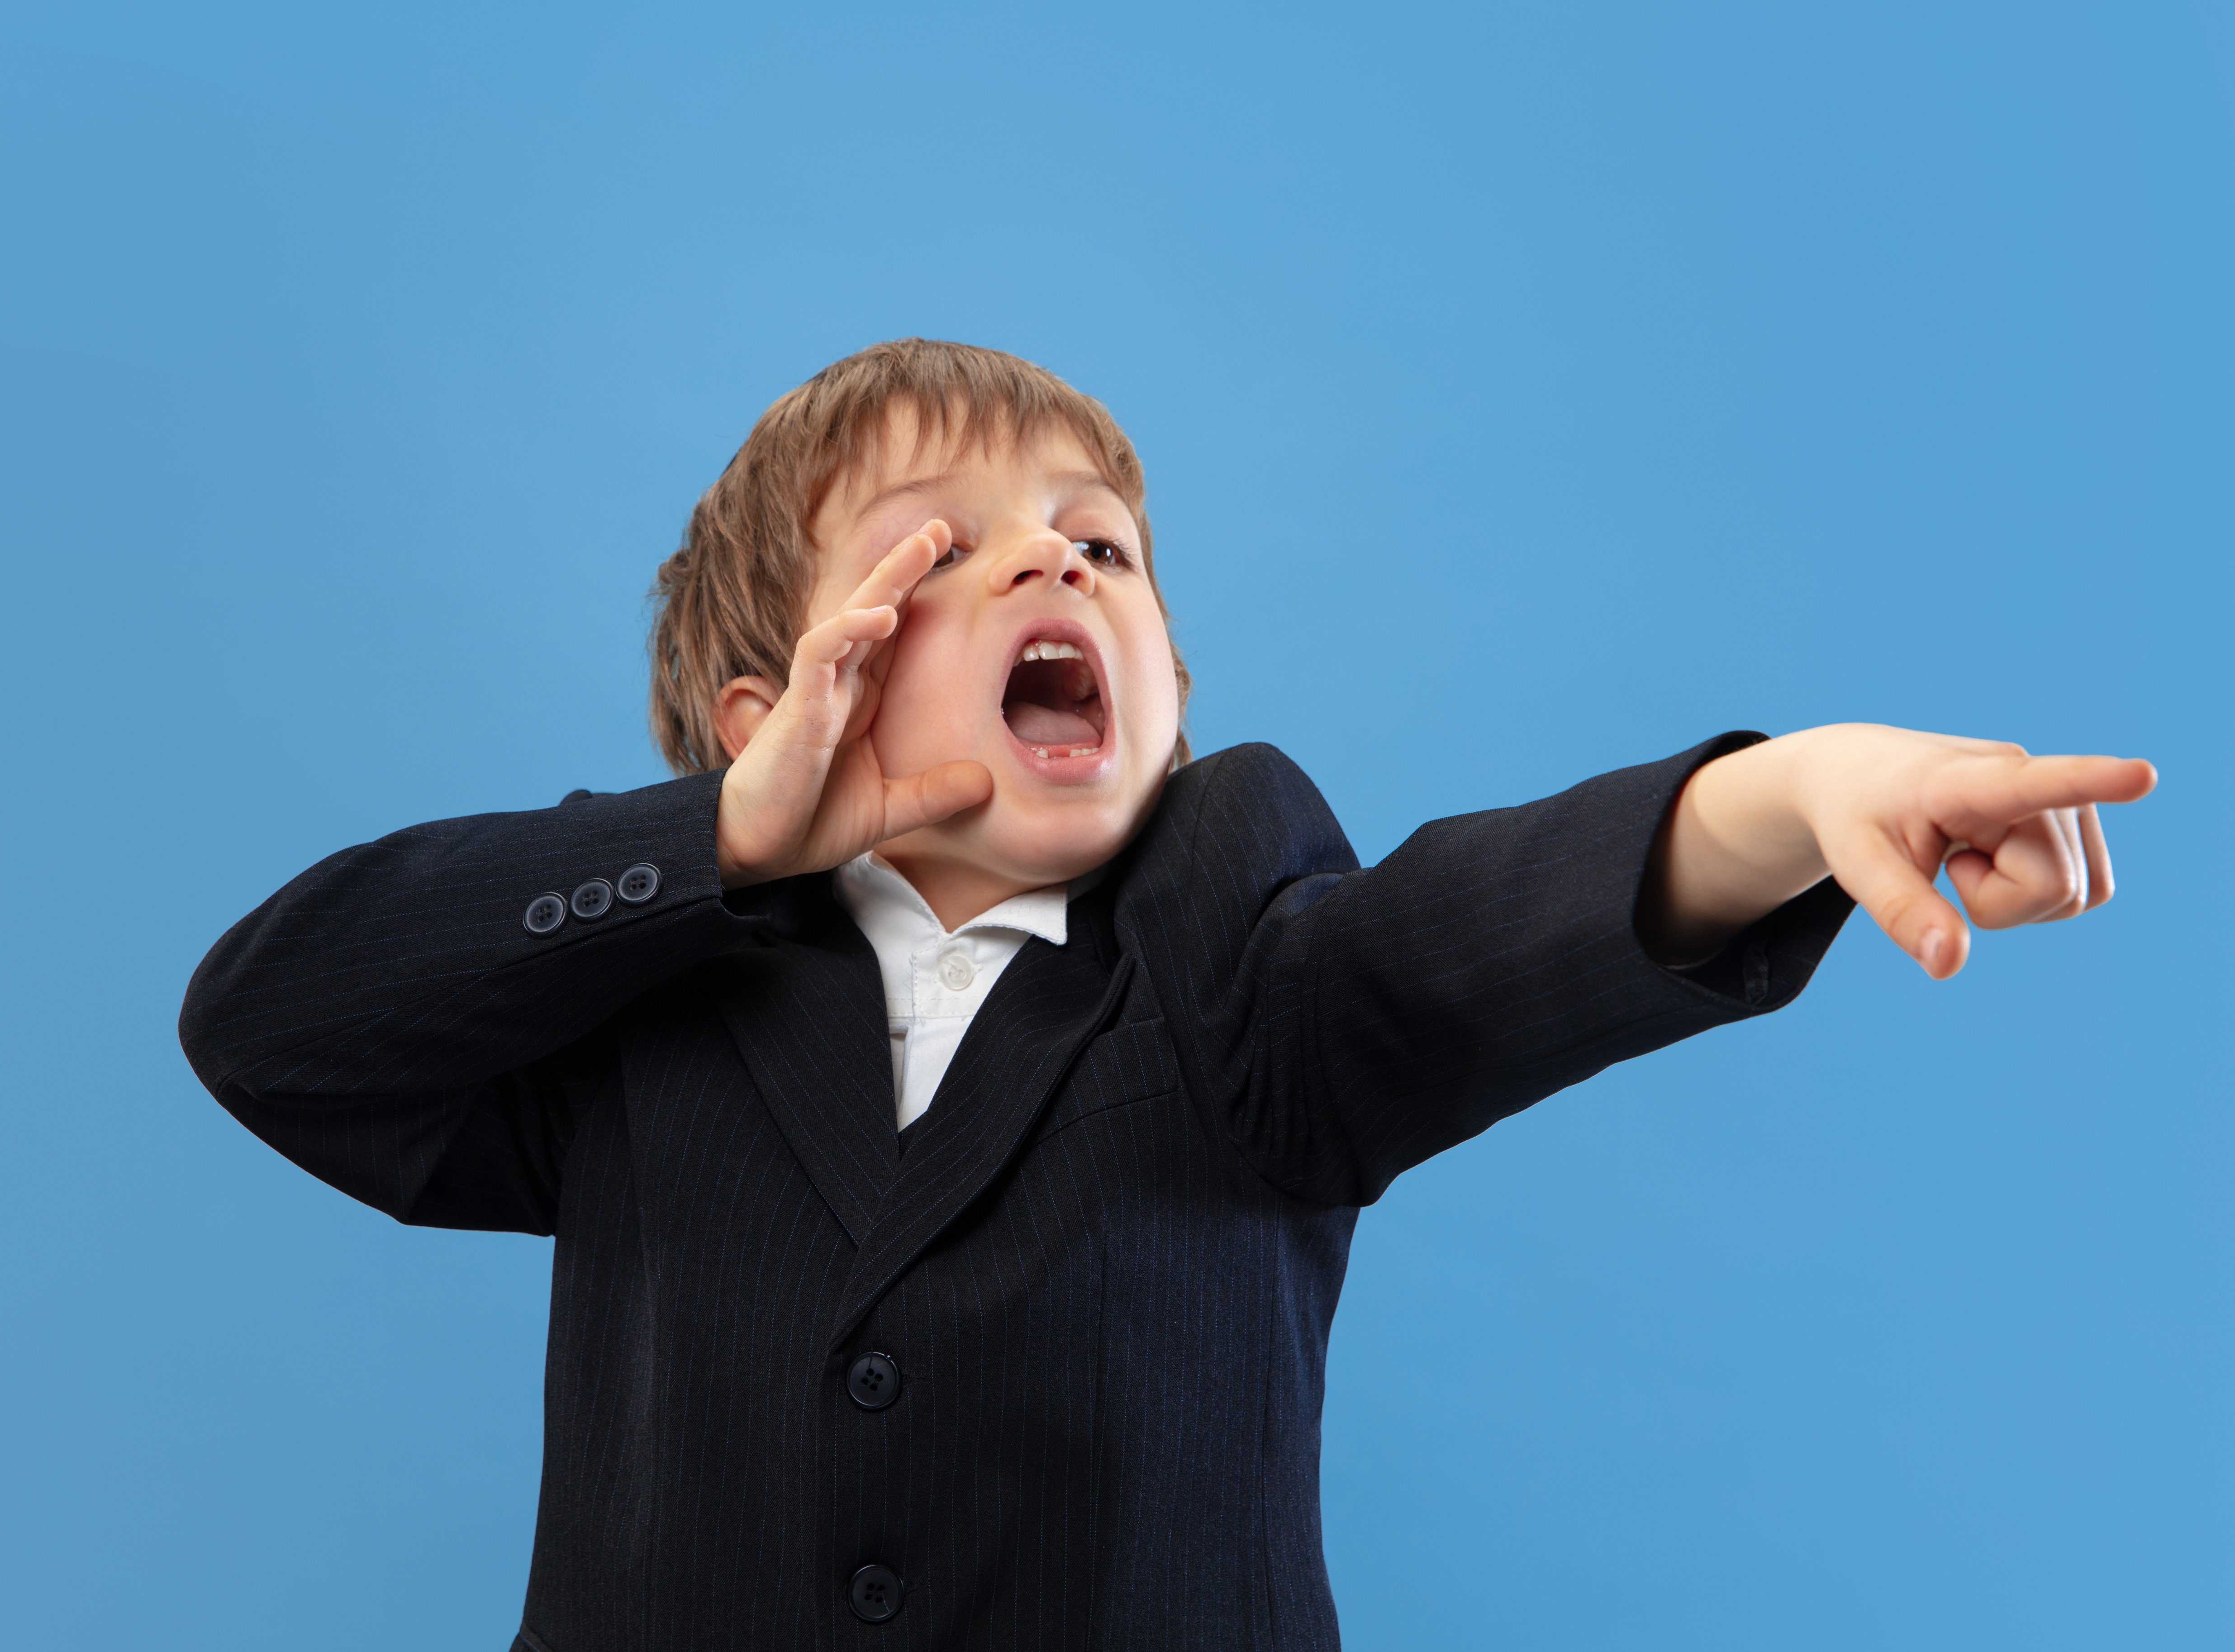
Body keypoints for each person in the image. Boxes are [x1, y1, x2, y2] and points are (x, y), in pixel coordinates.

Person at [178, 339, 2154, 1650]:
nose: (1058, 556)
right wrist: (717, 843)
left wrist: (1789, 794)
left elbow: (1461, 941)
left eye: (1101, 542)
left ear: (1173, 697)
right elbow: (282, 1020)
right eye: (949, 547)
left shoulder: (1235, 941)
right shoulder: (634, 1002)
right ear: (767, 717)